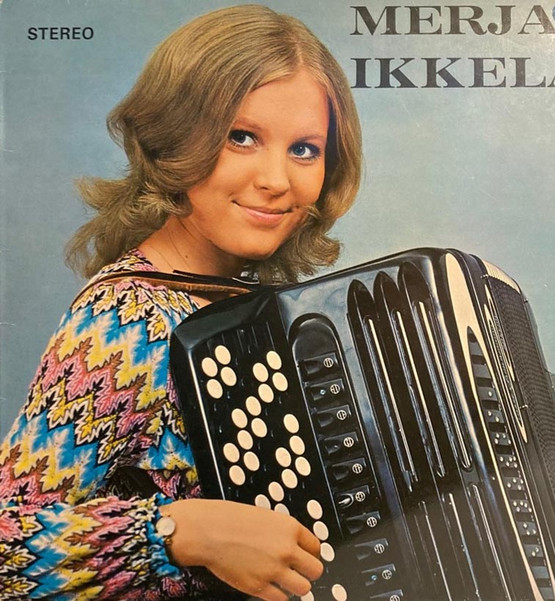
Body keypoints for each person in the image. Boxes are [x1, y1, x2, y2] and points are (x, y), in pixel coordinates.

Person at [0, 5, 362, 601]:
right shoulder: (125, 320)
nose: (277, 180)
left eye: (304, 149)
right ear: (173, 141)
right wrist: (175, 533)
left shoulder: (265, 313)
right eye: (241, 138)